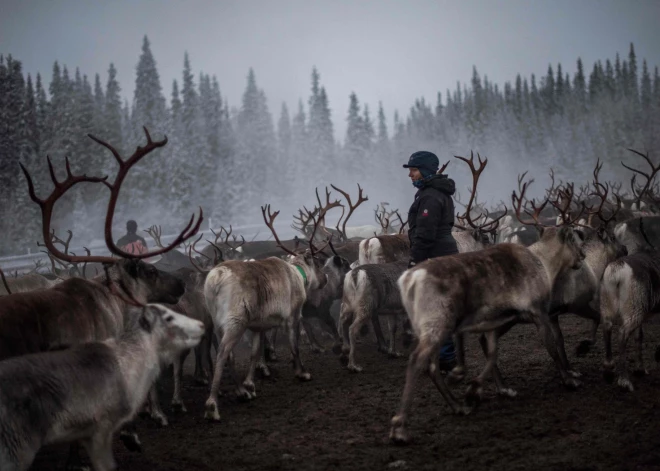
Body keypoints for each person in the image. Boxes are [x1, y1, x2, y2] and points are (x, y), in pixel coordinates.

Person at [403, 150, 458, 372]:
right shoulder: (433, 192)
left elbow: (425, 234)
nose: (410, 175)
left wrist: (415, 261)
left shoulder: (430, 197)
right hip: (443, 255)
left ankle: (445, 359)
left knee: (436, 307)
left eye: (413, 170)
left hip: (436, 259)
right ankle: (444, 356)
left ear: (424, 171)